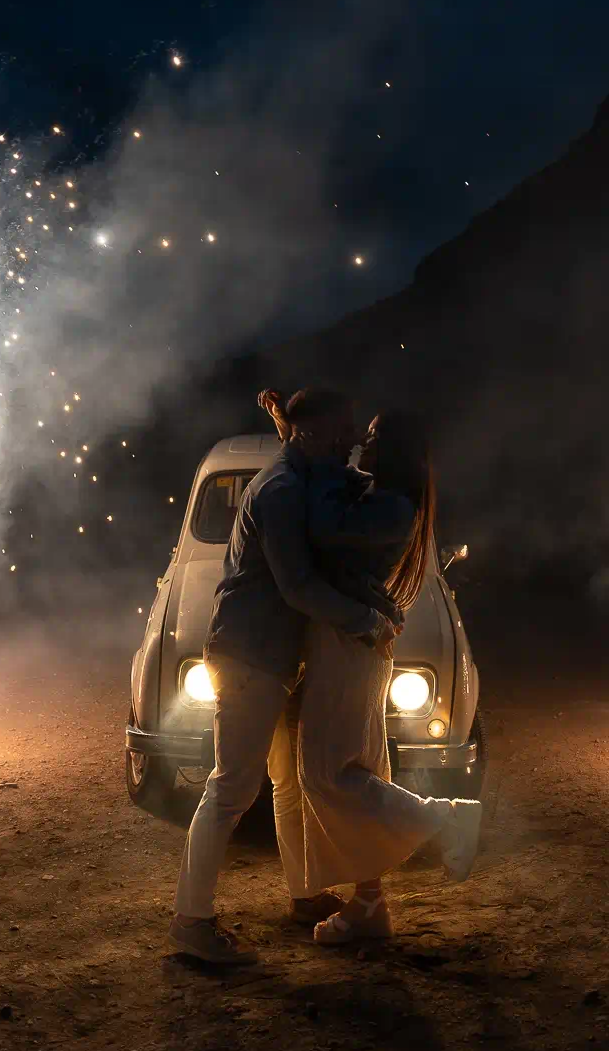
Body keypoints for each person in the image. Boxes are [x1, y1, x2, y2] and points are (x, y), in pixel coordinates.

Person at [168, 388, 400, 966]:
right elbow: (296, 586)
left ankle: (302, 895)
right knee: (230, 789)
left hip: (269, 657)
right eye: (343, 431)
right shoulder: (281, 490)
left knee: (286, 783)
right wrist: (365, 620)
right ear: (316, 433)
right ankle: (191, 920)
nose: (351, 442)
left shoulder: (292, 473)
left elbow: (301, 451)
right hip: (251, 657)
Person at [260, 394, 482, 945]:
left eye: (376, 433)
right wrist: (297, 433)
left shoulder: (390, 507)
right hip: (351, 643)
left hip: (348, 646)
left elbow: (320, 520)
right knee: (361, 770)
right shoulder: (381, 495)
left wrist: (298, 442)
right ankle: (369, 903)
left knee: (328, 775)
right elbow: (329, 491)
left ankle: (448, 817)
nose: (364, 440)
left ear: (398, 446)